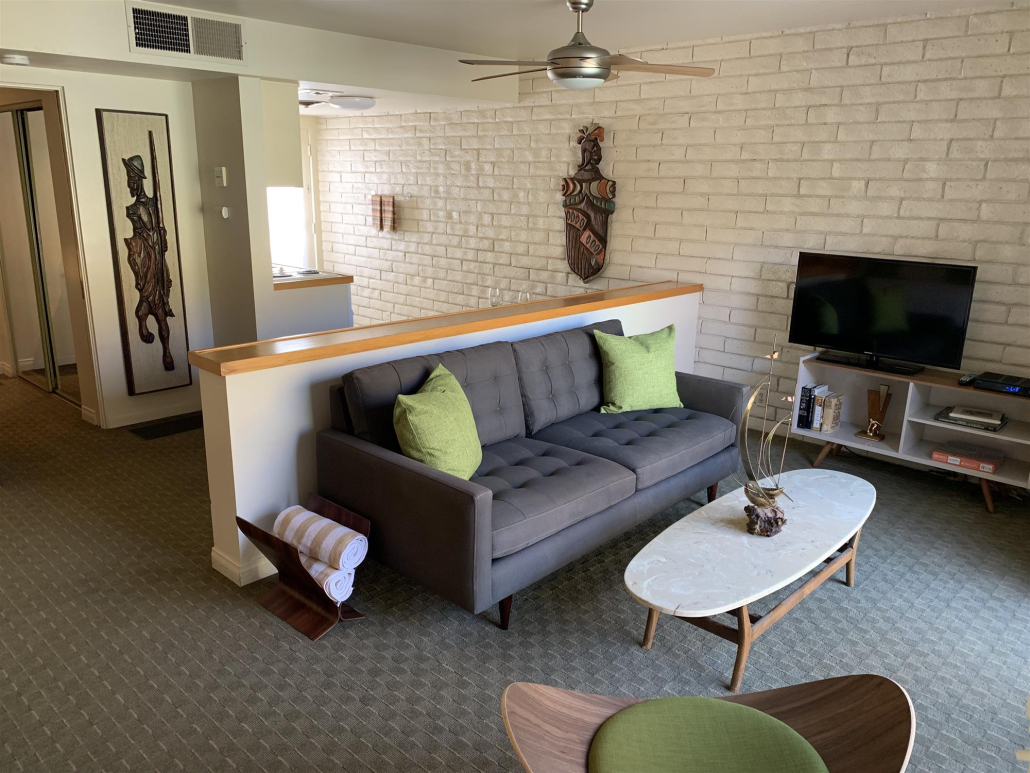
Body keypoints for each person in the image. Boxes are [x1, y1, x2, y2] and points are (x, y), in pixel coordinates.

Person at [122, 154, 175, 371]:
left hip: (157, 263)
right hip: (145, 263)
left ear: (139, 180)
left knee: (161, 309)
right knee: (142, 308)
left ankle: (168, 351)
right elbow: (139, 240)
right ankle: (144, 327)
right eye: (128, 180)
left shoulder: (153, 205)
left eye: (132, 180)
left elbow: (161, 239)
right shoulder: (132, 210)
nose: (130, 185)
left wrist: (162, 237)